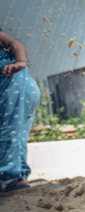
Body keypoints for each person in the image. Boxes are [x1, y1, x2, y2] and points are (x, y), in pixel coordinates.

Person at [0, 29, 40, 192]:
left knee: (10, 133)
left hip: (15, 84)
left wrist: (21, 61)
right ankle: (18, 176)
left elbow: (15, 44)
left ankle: (12, 176)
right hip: (16, 89)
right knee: (17, 134)